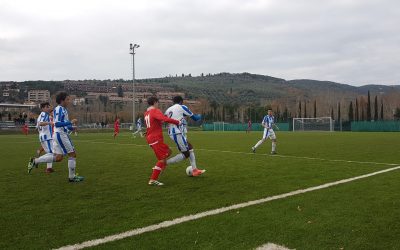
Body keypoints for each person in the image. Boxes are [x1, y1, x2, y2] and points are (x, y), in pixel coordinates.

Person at [28, 92, 84, 182]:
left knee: (58, 157)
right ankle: (72, 177)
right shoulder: (59, 109)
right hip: (60, 134)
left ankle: (35, 161)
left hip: (57, 134)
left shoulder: (62, 110)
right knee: (72, 154)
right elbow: (57, 124)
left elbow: (63, 124)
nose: (69, 101)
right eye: (67, 99)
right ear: (62, 100)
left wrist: (72, 127)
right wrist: (70, 122)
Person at [164, 96, 206, 176]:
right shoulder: (182, 107)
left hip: (173, 133)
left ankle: (194, 170)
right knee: (186, 153)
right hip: (177, 133)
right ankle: (164, 163)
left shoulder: (168, 110)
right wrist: (200, 116)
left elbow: (166, 120)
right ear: (181, 101)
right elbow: (195, 118)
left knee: (190, 148)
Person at [144, 96, 181, 186]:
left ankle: (158, 168)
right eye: (157, 102)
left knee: (168, 151)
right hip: (155, 138)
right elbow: (164, 119)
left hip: (151, 138)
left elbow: (154, 123)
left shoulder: (146, 113)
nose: (158, 104)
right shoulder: (155, 111)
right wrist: (177, 122)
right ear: (155, 102)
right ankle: (153, 179)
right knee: (162, 159)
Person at [34, 102, 54, 173]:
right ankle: (36, 161)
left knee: (50, 152)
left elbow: (37, 127)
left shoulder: (41, 115)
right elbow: (40, 123)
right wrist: (49, 123)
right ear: (42, 108)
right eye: (47, 107)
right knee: (52, 153)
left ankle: (49, 168)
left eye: (48, 106)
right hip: (47, 137)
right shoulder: (44, 114)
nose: (48, 108)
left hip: (43, 137)